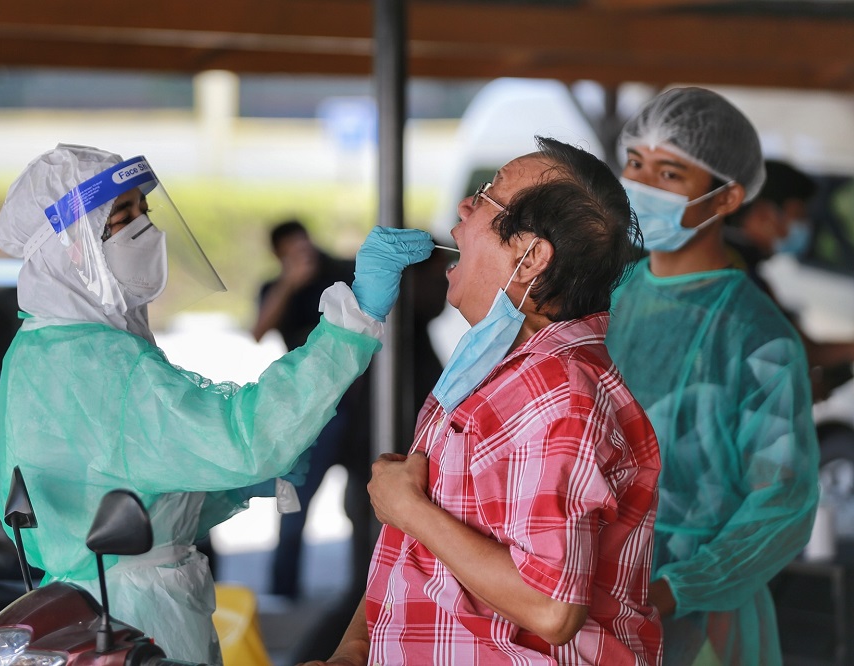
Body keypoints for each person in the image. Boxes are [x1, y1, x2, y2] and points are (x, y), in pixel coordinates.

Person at [0, 144, 433, 665]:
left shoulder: (48, 347)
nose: (145, 229)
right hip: (134, 619)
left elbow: (126, 489)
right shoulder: (95, 360)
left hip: (101, 607)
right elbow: (246, 439)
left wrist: (233, 484)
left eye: (145, 211)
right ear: (69, 246)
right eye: (123, 215)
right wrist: (354, 317)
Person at [303, 136, 663, 665]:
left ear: (531, 256)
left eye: (486, 196)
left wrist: (409, 509)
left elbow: (551, 608)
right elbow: (421, 556)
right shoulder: (491, 371)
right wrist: (354, 650)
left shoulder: (560, 391)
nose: (464, 209)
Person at [607, 88, 820, 665]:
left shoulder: (758, 336)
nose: (643, 186)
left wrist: (672, 590)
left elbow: (783, 502)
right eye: (636, 165)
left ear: (725, 199)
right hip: (588, 606)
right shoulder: (607, 297)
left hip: (703, 624)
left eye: (670, 172)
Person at [251, 219, 369, 600]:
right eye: (292, 249)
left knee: (364, 504)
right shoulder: (276, 288)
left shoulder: (336, 274)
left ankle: (364, 591)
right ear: (279, 255)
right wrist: (289, 282)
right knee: (294, 503)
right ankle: (283, 591)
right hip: (307, 412)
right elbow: (257, 330)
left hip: (353, 407)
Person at [725, 159, 854, 398]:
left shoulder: (742, 268)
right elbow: (803, 350)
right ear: (764, 216)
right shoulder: (731, 269)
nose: (803, 226)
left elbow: (803, 349)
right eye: (798, 215)